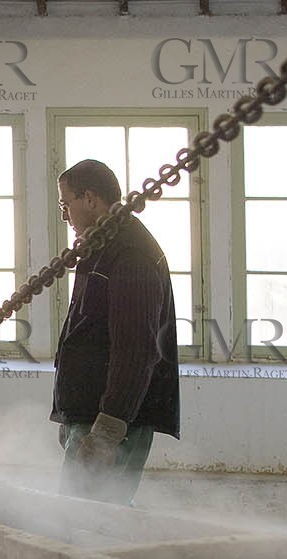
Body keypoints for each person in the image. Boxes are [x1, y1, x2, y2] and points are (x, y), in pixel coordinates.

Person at [52, 159, 180, 505]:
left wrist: (107, 432)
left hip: (111, 422)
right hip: (93, 415)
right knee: (92, 517)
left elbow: (137, 349)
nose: (65, 215)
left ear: (90, 199)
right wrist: (70, 414)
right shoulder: (103, 246)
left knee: (84, 524)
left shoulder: (130, 255)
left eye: (66, 204)